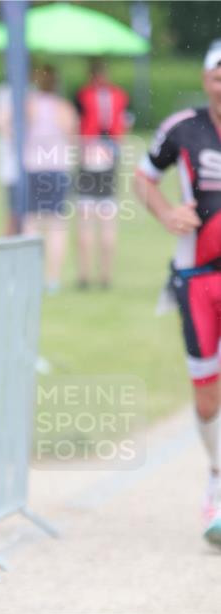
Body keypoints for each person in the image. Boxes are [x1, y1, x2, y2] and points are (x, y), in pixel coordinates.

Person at [135, 40, 221, 548]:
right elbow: (144, 179)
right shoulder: (181, 127)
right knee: (207, 392)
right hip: (196, 279)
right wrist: (167, 213)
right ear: (206, 78)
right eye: (218, 74)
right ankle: (216, 477)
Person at [19, 65, 78, 293]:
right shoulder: (63, 108)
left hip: (33, 166)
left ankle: (29, 275)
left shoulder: (28, 105)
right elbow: (73, 136)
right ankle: (52, 278)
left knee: (32, 222)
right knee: (56, 224)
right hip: (57, 168)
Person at [74, 59, 131, 289]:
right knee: (108, 217)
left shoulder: (83, 95)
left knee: (86, 218)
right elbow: (124, 126)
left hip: (89, 153)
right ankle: (105, 275)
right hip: (110, 153)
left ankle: (84, 275)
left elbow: (79, 125)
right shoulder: (120, 96)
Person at [0, 81, 20, 236]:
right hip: (11, 165)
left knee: (19, 214)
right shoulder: (4, 90)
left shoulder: (29, 90)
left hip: (24, 164)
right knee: (14, 213)